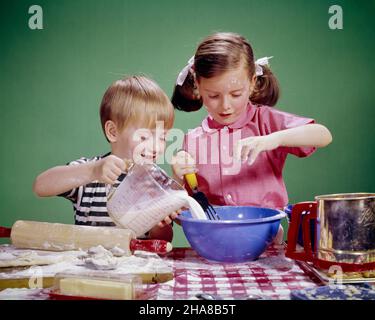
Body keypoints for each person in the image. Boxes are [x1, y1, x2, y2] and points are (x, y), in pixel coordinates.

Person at [171, 32, 332, 244]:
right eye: (214, 95)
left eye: (236, 94)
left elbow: (322, 135)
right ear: (198, 86)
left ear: (252, 82)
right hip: (213, 243)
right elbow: (183, 215)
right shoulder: (191, 140)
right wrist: (177, 179)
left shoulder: (265, 122)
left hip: (267, 241)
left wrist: (272, 140)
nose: (225, 105)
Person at [33, 75, 179, 242]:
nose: (156, 148)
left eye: (162, 137)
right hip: (88, 266)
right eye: (144, 137)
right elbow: (40, 186)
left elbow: (164, 242)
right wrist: (93, 171)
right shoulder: (90, 172)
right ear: (113, 132)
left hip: (136, 267)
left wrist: (158, 224)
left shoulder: (154, 184)